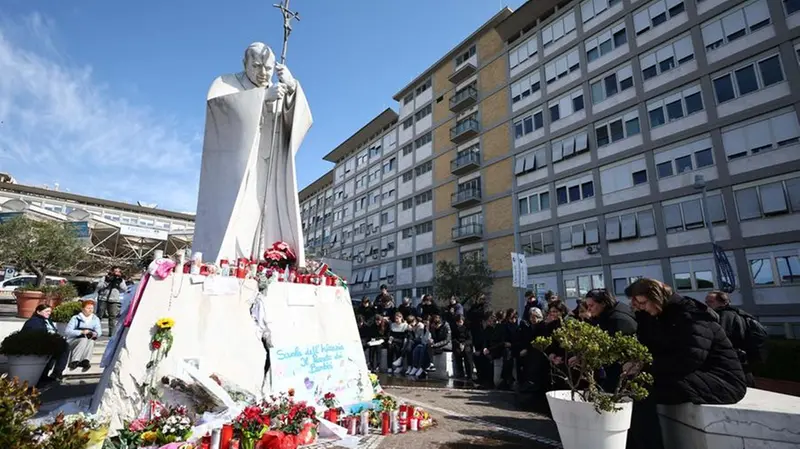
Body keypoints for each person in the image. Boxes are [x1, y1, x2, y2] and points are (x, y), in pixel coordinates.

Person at [625, 278, 747, 449]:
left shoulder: (690, 314)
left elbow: (690, 357)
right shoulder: (658, 316)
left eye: (643, 303)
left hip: (722, 380)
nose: (642, 307)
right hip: (694, 374)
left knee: (642, 390)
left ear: (656, 297)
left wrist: (645, 367)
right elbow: (651, 348)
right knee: (633, 387)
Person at [706, 290, 766, 387]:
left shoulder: (724, 317)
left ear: (724, 302)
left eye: (710, 302)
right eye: (706, 301)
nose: (707, 304)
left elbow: (721, 340)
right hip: (745, 365)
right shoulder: (742, 314)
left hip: (732, 367)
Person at [583, 289, 637, 392]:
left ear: (603, 303)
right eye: (588, 306)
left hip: (623, 368)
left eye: (591, 305)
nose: (589, 309)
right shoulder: (607, 314)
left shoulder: (618, 319)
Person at [22, 304, 68, 384]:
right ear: (38, 312)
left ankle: (56, 373)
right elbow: (38, 334)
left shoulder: (48, 321)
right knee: (61, 347)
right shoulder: (34, 321)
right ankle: (49, 374)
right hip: (38, 344)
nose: (49, 313)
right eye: (47, 311)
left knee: (64, 346)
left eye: (50, 311)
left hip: (50, 343)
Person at [64, 300, 102, 371]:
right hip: (73, 340)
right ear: (82, 309)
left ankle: (86, 360)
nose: (90, 310)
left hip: (88, 340)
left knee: (91, 341)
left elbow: (99, 332)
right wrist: (81, 332)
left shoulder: (95, 319)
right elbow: (67, 331)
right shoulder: (75, 318)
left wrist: (93, 333)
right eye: (88, 308)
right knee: (83, 340)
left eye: (92, 308)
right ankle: (75, 360)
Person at [96, 266, 127, 335]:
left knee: (112, 317)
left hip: (114, 299)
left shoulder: (120, 280)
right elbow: (98, 287)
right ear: (112, 271)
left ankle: (112, 333)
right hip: (103, 298)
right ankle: (95, 331)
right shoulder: (105, 278)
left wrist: (119, 282)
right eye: (115, 271)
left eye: (118, 272)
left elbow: (124, 289)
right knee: (99, 315)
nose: (117, 273)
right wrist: (107, 281)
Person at [499, 308, 519, 390]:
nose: (513, 320)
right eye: (511, 318)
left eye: (514, 318)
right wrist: (506, 343)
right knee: (507, 356)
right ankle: (507, 378)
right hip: (507, 347)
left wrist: (513, 344)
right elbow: (503, 337)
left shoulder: (519, 325)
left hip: (516, 346)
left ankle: (508, 379)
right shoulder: (505, 325)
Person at [451, 314, 474, 380]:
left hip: (466, 345)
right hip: (458, 345)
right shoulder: (454, 329)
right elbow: (453, 338)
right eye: (458, 322)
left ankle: (469, 374)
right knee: (457, 354)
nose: (459, 323)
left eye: (460, 322)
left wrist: (463, 344)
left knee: (467, 354)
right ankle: (460, 374)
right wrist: (459, 344)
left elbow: (470, 339)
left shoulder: (467, 329)